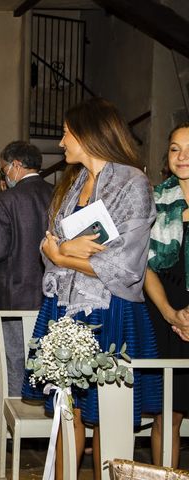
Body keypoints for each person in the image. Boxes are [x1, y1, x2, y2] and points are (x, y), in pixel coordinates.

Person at [21, 98, 161, 479]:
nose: (62, 141)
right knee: (69, 409)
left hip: (109, 309)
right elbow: (48, 244)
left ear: (88, 134)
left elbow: (126, 266)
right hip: (63, 306)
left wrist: (64, 255)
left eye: (67, 133)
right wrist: (61, 251)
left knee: (106, 414)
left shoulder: (133, 184)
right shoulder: (74, 183)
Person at [0, 141, 53, 401]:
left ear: (16, 166)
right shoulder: (57, 194)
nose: (4, 176)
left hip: (14, 292)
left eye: (4, 170)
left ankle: (15, 415)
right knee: (48, 358)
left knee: (15, 357)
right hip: (51, 290)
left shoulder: (4, 200)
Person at [145, 122, 189, 468]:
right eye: (175, 148)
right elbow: (145, 268)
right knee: (167, 415)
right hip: (166, 319)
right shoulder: (156, 201)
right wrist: (171, 313)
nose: (182, 156)